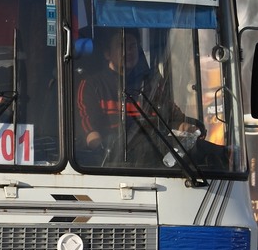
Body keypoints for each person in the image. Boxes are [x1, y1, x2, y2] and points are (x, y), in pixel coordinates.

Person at [75, 28, 190, 166]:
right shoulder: (91, 85)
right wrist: (105, 156)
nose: (128, 51)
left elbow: (174, 118)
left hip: (155, 162)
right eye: (121, 46)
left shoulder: (150, 85)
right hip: (113, 165)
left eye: (132, 46)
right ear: (107, 54)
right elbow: (90, 133)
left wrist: (186, 128)